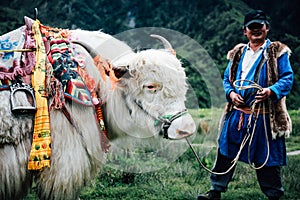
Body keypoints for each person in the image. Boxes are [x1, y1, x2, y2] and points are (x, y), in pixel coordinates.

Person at [197, 9, 294, 200]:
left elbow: (287, 78)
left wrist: (270, 90)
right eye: (252, 27)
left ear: (267, 28)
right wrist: (231, 93)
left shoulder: (277, 52)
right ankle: (215, 191)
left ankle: (274, 194)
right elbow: (227, 79)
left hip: (265, 116)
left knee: (267, 159)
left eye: (260, 26)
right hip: (238, 113)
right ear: (245, 31)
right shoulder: (238, 53)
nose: (256, 30)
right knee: (225, 151)